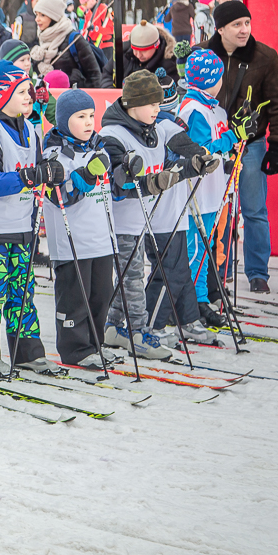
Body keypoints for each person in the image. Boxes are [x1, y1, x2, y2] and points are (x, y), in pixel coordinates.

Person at [101, 71, 205, 359]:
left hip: (140, 222)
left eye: (160, 104)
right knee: (133, 278)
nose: (158, 110)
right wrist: (149, 183)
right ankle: (138, 332)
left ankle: (113, 325)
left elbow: (166, 169)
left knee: (126, 276)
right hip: (120, 222)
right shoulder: (113, 135)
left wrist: (193, 166)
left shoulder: (153, 130)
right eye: (152, 105)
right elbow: (118, 184)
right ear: (133, 104)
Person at [0, 61, 62, 376]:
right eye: (20, 91)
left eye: (30, 91)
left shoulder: (32, 129)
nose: (28, 97)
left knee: (23, 294)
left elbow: (35, 174)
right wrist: (30, 176)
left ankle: (27, 352)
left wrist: (47, 172)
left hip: (22, 228)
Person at [199, 0, 278, 293]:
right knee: (210, 210)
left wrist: (276, 146)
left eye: (247, 23)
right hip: (213, 145)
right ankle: (212, 271)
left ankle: (257, 273)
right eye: (237, 24)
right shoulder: (202, 54)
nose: (244, 30)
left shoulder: (265, 57)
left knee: (253, 210)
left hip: (251, 144)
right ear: (220, 28)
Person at [39, 89, 115, 367]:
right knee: (76, 297)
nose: (88, 122)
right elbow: (60, 196)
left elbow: (111, 188)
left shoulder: (99, 146)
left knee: (102, 294)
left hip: (101, 238)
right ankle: (75, 349)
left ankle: (95, 344)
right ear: (62, 121)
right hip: (73, 242)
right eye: (80, 117)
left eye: (91, 116)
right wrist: (82, 178)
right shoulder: (55, 154)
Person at [177, 50, 247, 328]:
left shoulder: (215, 108)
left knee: (208, 248)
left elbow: (221, 146)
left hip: (214, 191)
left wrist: (237, 137)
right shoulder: (192, 109)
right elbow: (202, 149)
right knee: (196, 250)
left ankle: (204, 297)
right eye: (218, 76)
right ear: (209, 80)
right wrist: (232, 136)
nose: (222, 81)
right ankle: (195, 301)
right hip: (197, 193)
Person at [29, 0, 100, 88]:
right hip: (49, 100)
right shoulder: (42, 38)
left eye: (42, 15)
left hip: (74, 98)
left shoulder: (74, 39)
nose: (37, 19)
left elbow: (94, 75)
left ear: (53, 17)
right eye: (36, 15)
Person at [99, 19, 178, 87]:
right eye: (135, 50)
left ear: (156, 46)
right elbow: (107, 75)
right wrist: (113, 93)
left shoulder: (169, 63)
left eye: (144, 51)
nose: (139, 55)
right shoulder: (124, 53)